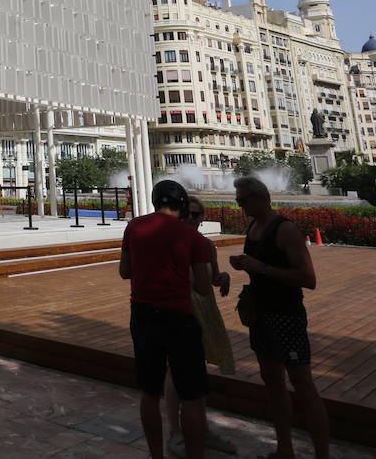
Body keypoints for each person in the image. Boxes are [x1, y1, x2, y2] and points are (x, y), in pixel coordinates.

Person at [228, 176, 330, 459]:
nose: (240, 205)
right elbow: (260, 266)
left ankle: (322, 454)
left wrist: (261, 268)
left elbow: (308, 279)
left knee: (303, 384)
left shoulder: (285, 230)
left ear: (261, 198)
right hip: (260, 314)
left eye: (242, 200)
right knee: (272, 380)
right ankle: (284, 448)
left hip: (286, 315)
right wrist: (244, 265)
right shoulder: (253, 227)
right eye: (237, 201)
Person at [118, 180, 213, 459]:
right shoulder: (193, 237)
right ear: (182, 205)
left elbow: (125, 271)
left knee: (149, 392)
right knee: (192, 396)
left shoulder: (134, 227)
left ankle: (156, 454)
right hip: (179, 317)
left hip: (144, 315)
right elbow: (204, 288)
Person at [163, 195, 238, 459]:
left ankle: (202, 429)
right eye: (189, 214)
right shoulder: (170, 244)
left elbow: (212, 277)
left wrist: (223, 277)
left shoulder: (207, 245)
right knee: (175, 372)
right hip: (181, 309)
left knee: (198, 370)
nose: (194, 219)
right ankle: (175, 432)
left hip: (205, 309)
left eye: (198, 215)